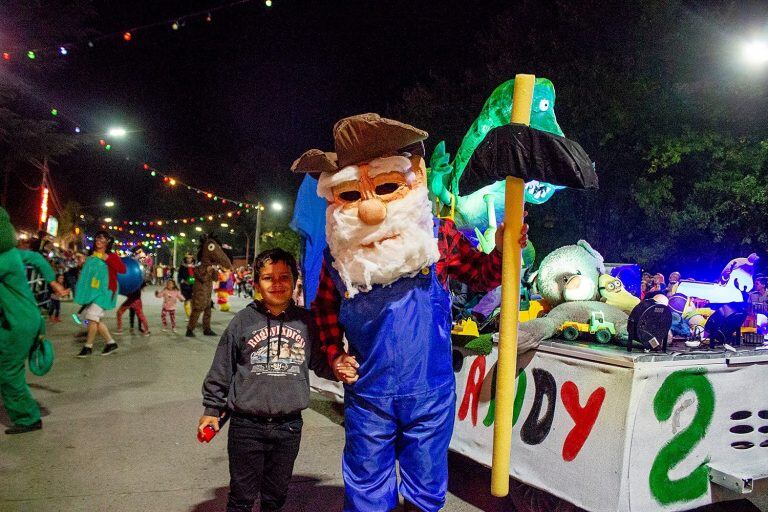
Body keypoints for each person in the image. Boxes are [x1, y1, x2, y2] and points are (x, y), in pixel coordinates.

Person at [293, 114, 526, 512]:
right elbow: (325, 308)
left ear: (410, 179)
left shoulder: (438, 238)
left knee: (426, 489)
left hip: (430, 394)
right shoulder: (341, 254)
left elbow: (485, 275)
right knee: (367, 490)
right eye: (351, 195)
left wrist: (506, 249)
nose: (369, 211)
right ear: (335, 198)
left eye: (385, 187)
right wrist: (334, 353)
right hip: (369, 395)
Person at [199, 248, 337, 512]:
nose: (276, 284)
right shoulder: (242, 321)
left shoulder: (306, 322)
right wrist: (211, 409)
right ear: (256, 283)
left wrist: (341, 367)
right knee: (241, 497)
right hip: (246, 426)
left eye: (284, 277)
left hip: (289, 427)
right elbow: (222, 368)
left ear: (296, 281)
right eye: (268, 278)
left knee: (275, 496)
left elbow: (320, 362)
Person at [0, 207, 67, 433]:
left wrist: (53, 282)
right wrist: (53, 282)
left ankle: (27, 417)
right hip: (24, 319)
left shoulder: (4, 259)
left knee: (9, 372)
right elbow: (36, 257)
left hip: (17, 323)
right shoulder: (12, 254)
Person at [74, 230, 126, 357]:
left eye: (102, 239)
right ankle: (110, 342)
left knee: (92, 317)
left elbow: (122, 270)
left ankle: (88, 347)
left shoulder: (112, 256)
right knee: (94, 319)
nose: (99, 241)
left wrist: (107, 259)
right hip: (94, 292)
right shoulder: (92, 256)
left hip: (106, 291)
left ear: (107, 242)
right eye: (97, 238)